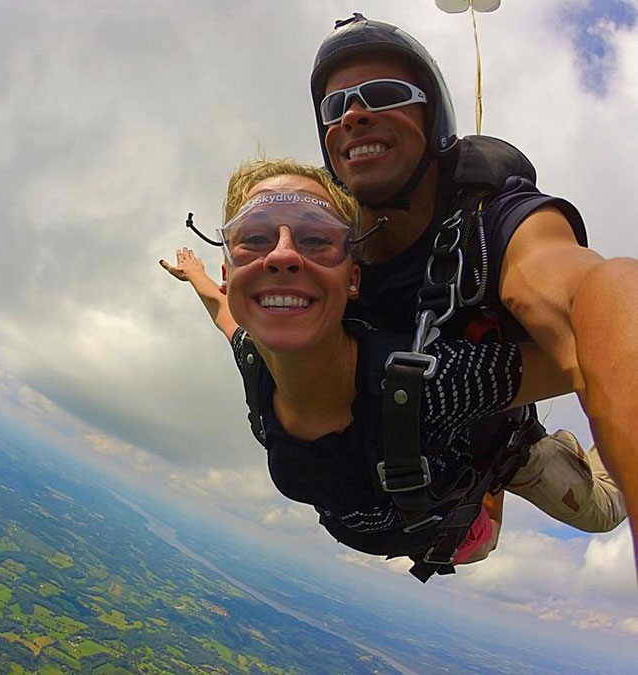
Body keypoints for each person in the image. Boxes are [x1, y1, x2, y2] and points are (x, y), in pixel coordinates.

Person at [308, 14, 631, 562]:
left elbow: (583, 294)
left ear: (432, 117)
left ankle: (582, 455)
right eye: (334, 109)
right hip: (424, 465)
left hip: (505, 448)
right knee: (469, 537)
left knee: (600, 511)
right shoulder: (319, 246)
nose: (354, 116)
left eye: (383, 95)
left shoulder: (495, 227)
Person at [162, 158, 575, 579]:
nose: (282, 255)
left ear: (353, 279)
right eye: (254, 236)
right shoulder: (255, 358)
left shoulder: (431, 384)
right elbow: (220, 309)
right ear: (229, 274)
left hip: (464, 533)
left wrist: (538, 277)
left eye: (316, 237)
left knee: (594, 511)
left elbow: (579, 358)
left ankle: (536, 456)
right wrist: (194, 272)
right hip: (407, 516)